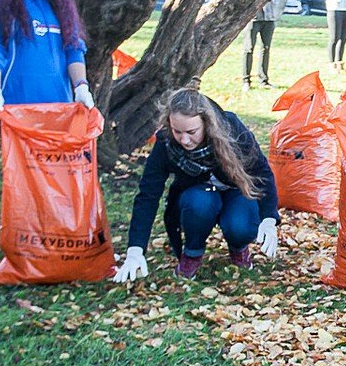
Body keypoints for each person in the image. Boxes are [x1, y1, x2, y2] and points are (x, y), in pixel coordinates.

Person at [113, 89, 280, 281]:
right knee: (199, 203)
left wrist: (268, 218)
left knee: (240, 226)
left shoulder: (232, 128)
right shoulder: (166, 142)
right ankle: (192, 253)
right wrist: (135, 249)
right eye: (178, 131)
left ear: (206, 124)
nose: (184, 140)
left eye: (192, 132)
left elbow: (262, 172)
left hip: (236, 190)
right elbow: (148, 195)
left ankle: (238, 248)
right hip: (198, 194)